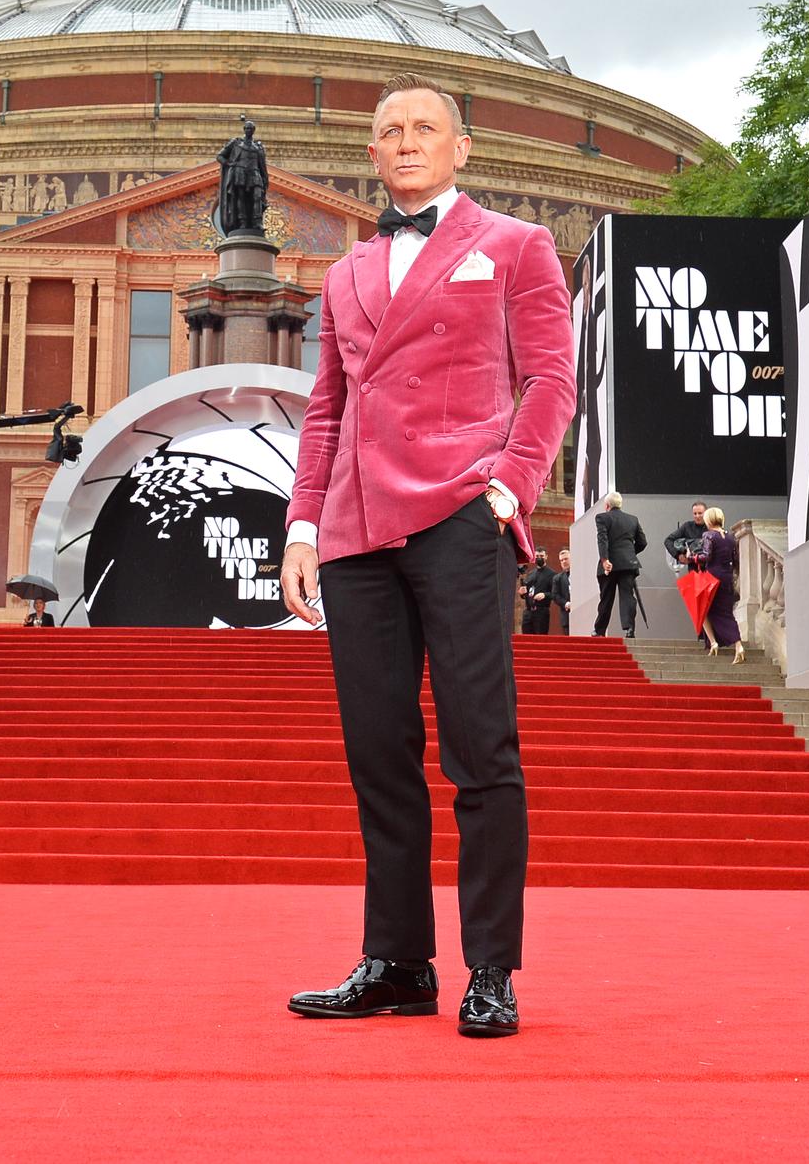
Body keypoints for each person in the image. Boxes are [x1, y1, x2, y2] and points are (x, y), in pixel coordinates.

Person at [281, 72, 573, 1039]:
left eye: (425, 128)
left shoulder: (515, 246)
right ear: (372, 153)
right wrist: (304, 525)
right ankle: (399, 962)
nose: (406, 141)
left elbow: (550, 379)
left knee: (480, 750)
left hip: (459, 514)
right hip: (358, 531)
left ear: (461, 148)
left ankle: (491, 968)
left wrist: (507, 488)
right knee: (380, 754)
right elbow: (327, 408)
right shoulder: (344, 272)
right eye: (389, 130)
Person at [693, 507, 746, 664]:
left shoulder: (708, 535)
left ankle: (714, 643)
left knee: (702, 609)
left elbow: (706, 556)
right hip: (727, 577)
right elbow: (736, 560)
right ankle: (738, 645)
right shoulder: (730, 537)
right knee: (726, 613)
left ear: (708, 520)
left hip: (712, 577)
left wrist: (693, 557)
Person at [592, 492, 647, 637]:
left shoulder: (602, 517)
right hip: (628, 564)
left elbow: (602, 539)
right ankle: (629, 629)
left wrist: (605, 560)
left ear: (607, 505)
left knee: (606, 598)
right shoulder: (632, 520)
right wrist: (629, 554)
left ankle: (599, 631)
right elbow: (643, 542)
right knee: (628, 596)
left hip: (609, 565)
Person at [663, 501, 713, 650]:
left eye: (700, 513)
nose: (697, 516)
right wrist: (678, 555)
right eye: (695, 513)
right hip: (694, 570)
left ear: (706, 512)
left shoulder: (712, 526)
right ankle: (703, 636)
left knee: (710, 604)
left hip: (710, 570)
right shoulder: (687, 527)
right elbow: (668, 540)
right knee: (698, 603)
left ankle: (711, 638)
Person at [520, 551, 555, 636]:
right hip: (528, 611)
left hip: (541, 611)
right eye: (537, 556)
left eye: (541, 556)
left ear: (546, 556)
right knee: (526, 639)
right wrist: (522, 593)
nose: (539, 558)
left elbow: (555, 593)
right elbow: (526, 592)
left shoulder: (552, 574)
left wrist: (544, 595)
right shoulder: (531, 573)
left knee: (540, 639)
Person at [552, 550, 573, 635]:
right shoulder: (557, 578)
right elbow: (555, 595)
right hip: (566, 615)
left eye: (566, 559)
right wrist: (566, 603)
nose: (564, 562)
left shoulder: (580, 574)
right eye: (561, 560)